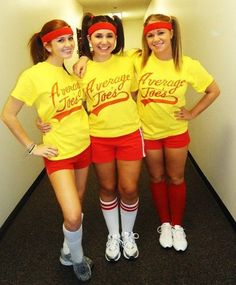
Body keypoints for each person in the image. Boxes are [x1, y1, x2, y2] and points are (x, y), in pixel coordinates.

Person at [1, 19, 93, 281]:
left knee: (78, 202)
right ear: (47, 45)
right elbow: (8, 114)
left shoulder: (70, 71)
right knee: (73, 215)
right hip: (59, 153)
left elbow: (65, 108)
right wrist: (32, 147)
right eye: (61, 40)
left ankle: (67, 249)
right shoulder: (32, 75)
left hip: (83, 146)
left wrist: (85, 57)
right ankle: (77, 259)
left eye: (69, 39)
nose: (67, 44)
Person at [135, 13, 220, 251]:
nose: (155, 38)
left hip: (175, 132)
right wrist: (85, 61)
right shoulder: (138, 61)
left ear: (171, 32)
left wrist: (192, 113)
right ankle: (164, 223)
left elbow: (213, 90)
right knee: (156, 177)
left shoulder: (188, 64)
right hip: (149, 132)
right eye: (150, 34)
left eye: (160, 32)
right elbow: (109, 65)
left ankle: (177, 225)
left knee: (176, 178)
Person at [79, 13, 144, 262]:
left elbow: (137, 93)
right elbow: (75, 104)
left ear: (115, 38)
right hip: (98, 137)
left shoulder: (129, 61)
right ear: (89, 38)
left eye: (109, 35)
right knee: (106, 187)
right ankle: (113, 234)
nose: (104, 41)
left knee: (128, 188)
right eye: (98, 36)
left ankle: (128, 233)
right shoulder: (81, 69)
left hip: (129, 134)